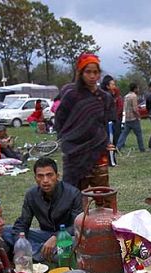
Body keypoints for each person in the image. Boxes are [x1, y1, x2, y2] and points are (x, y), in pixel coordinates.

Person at [54, 53, 116, 189]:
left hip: (98, 151)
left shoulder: (104, 97)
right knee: (74, 194)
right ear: (81, 73)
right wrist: (68, 140)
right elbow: (59, 120)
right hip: (74, 153)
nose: (92, 76)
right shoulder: (71, 95)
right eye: (88, 72)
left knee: (102, 193)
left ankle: (103, 210)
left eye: (95, 72)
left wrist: (106, 141)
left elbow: (105, 123)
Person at [3, 158, 83, 262]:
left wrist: (56, 237)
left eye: (49, 175)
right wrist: (20, 243)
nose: (45, 180)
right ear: (35, 178)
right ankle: (43, 252)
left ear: (57, 176)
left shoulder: (73, 193)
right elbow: (22, 224)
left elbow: (77, 226)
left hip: (66, 238)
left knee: (73, 243)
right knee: (6, 231)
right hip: (44, 235)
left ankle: (36, 253)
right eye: (40, 176)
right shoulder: (31, 195)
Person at [117, 83, 146, 152]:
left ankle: (118, 147)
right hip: (134, 119)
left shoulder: (126, 96)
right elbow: (135, 109)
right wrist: (138, 116)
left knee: (124, 134)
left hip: (127, 118)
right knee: (139, 134)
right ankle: (142, 148)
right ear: (135, 89)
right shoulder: (134, 96)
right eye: (137, 88)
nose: (138, 89)